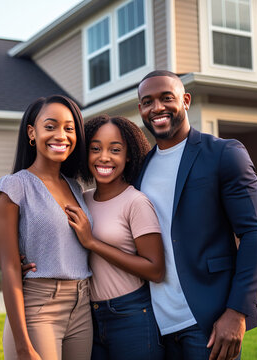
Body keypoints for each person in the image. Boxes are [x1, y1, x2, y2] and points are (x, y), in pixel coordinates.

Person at [134, 70, 257, 360]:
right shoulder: (139, 170)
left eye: (166, 98)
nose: (157, 107)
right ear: (140, 110)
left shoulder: (224, 154)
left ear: (185, 101)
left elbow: (255, 233)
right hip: (154, 324)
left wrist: (237, 312)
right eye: (148, 102)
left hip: (208, 321)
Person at [0, 95, 92, 360]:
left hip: (82, 306)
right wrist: (23, 346)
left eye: (69, 128)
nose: (61, 135)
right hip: (40, 306)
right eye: (50, 126)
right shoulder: (14, 186)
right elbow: (10, 267)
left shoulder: (75, 187)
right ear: (31, 133)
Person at [64, 114, 165, 360]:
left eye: (115, 149)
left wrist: (93, 243)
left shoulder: (136, 202)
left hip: (131, 315)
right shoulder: (81, 198)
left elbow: (155, 270)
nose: (104, 157)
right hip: (89, 316)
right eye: (95, 149)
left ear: (128, 155)